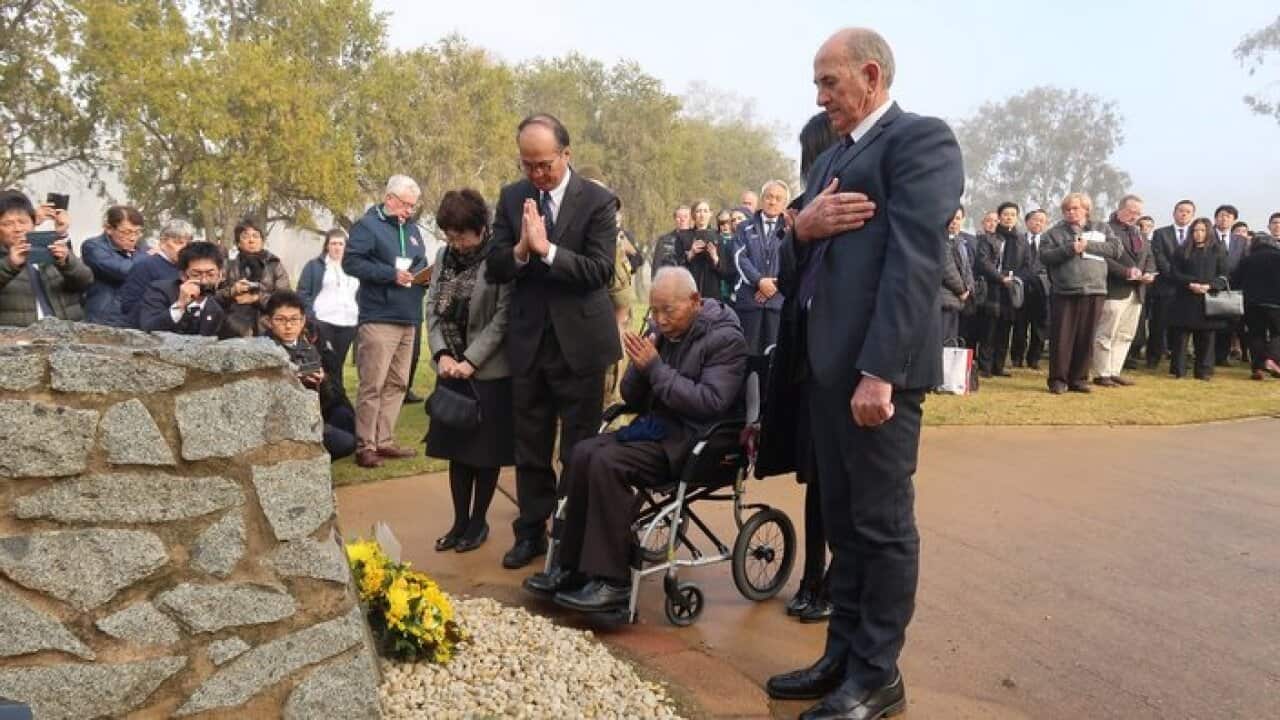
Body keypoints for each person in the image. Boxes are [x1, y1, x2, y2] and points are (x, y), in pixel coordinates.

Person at [764, 28, 963, 720]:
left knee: (881, 526)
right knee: (843, 523)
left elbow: (915, 265)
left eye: (830, 84)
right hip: (824, 372)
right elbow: (789, 272)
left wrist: (879, 371)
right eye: (818, 85)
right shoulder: (828, 162)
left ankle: (877, 674)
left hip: (876, 378)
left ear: (871, 76)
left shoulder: (920, 142)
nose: (821, 99)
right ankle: (841, 656)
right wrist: (802, 229)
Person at [523, 267, 748, 611]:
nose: (658, 319)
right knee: (582, 452)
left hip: (693, 441)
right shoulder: (663, 331)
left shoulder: (725, 339)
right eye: (653, 311)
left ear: (695, 302)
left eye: (667, 311)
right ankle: (572, 568)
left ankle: (613, 582)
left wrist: (656, 368)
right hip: (657, 428)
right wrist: (639, 367)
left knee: (606, 462)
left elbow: (710, 403)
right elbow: (631, 395)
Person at [484, 114, 621, 570]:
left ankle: (570, 535)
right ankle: (531, 532)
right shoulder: (512, 198)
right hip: (529, 341)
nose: (537, 174)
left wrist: (549, 251)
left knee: (578, 447)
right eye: (528, 165)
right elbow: (495, 267)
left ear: (566, 154)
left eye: (544, 164)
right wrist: (522, 251)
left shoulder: (598, 201)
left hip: (580, 343)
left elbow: (600, 271)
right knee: (531, 444)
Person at [777, 109, 843, 625]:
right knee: (817, 481)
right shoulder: (801, 210)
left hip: (844, 364)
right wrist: (799, 234)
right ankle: (811, 577)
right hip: (806, 363)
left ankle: (838, 580)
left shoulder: (857, 206)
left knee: (844, 483)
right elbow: (787, 276)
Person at [422, 189, 514, 554]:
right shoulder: (444, 256)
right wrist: (442, 354)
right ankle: (459, 522)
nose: (455, 242)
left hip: (488, 372)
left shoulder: (499, 259)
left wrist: (471, 360)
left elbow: (503, 316)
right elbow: (432, 306)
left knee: (484, 454)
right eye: (449, 234)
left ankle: (479, 523)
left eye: (461, 234)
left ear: (480, 228)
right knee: (457, 452)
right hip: (450, 369)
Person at [343, 174, 430, 469]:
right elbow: (351, 262)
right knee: (373, 384)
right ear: (389, 198)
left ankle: (385, 440)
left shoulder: (414, 229)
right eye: (405, 204)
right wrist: (390, 274)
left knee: (398, 383)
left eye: (412, 206)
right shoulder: (368, 226)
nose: (408, 210)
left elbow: (419, 260)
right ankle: (365, 445)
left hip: (409, 315)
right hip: (379, 315)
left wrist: (423, 276)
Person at [1038, 192, 1121, 394]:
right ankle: (1058, 380)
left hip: (1095, 290)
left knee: (1086, 337)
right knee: (1062, 338)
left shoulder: (1102, 228)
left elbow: (1116, 250)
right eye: (1067, 209)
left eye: (1075, 208)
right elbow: (1045, 256)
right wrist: (1070, 249)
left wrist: (1088, 245)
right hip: (1066, 291)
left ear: (1086, 209)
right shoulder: (1053, 233)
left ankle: (1079, 379)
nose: (1071, 212)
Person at [263, 291, 357, 460]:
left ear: (303, 320)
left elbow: (327, 398)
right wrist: (295, 380)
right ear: (269, 322)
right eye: (281, 320)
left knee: (345, 417)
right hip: (281, 420)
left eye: (294, 319)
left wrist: (323, 381)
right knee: (345, 443)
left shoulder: (308, 345)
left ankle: (314, 458)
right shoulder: (263, 350)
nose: (288, 326)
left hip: (313, 411)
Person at [0, 189, 92, 326]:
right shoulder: (6, 260)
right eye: (7, 224)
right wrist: (10, 264)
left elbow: (85, 281)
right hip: (17, 341)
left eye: (23, 222)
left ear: (33, 223)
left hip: (64, 336)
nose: (17, 228)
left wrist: (66, 262)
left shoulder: (49, 248)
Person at [1092, 195, 1155, 387]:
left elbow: (1149, 256)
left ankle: (1114, 371)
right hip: (1115, 289)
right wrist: (1126, 272)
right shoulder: (1105, 229)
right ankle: (1101, 373)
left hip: (1137, 292)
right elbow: (1102, 256)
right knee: (1106, 333)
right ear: (1120, 209)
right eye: (1131, 211)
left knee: (1126, 334)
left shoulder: (1139, 232)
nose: (1135, 216)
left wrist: (1150, 272)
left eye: (1138, 213)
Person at [297, 228, 360, 395]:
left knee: (338, 362)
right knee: (328, 362)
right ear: (327, 246)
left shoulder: (354, 268)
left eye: (341, 244)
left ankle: (335, 395)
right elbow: (302, 293)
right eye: (333, 243)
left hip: (349, 323)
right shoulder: (314, 266)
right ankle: (332, 395)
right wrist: (312, 317)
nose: (337, 247)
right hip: (324, 323)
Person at [732, 181, 791, 354]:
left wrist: (775, 285)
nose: (773, 202)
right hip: (750, 303)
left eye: (778, 198)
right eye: (769, 197)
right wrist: (759, 281)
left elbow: (795, 261)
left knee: (775, 359)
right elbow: (739, 258)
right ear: (762, 199)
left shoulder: (791, 229)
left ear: (784, 204)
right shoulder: (744, 227)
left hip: (778, 304)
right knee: (746, 357)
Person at [1168, 217, 1229, 380]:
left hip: (1208, 299)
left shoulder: (1218, 250)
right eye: (1195, 230)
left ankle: (1204, 371)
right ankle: (1179, 370)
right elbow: (1174, 273)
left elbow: (1224, 275)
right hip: (1185, 298)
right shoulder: (1182, 250)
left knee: (1207, 337)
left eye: (1202, 230)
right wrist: (1190, 283)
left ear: (1208, 232)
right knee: (1181, 337)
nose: (1198, 234)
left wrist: (1210, 286)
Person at [975, 201, 1030, 377]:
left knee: (1005, 330)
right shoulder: (989, 238)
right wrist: (1000, 278)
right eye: (1005, 214)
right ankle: (985, 367)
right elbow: (983, 262)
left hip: (1012, 289)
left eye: (1012, 215)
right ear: (999, 217)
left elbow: (1028, 264)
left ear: (1017, 218)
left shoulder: (1022, 239)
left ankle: (999, 366)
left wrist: (1016, 279)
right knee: (989, 329)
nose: (1009, 218)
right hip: (993, 287)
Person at [136, 242, 230, 336]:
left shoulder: (216, 310)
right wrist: (180, 305)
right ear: (183, 275)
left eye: (210, 274)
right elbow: (147, 329)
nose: (204, 281)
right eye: (196, 274)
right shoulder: (159, 291)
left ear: (220, 275)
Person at [216, 218, 290, 336]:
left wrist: (257, 298)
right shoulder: (228, 265)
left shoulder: (274, 265)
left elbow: (285, 300)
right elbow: (215, 296)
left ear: (262, 241)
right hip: (234, 326)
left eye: (256, 236)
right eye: (245, 237)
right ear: (238, 243)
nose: (251, 240)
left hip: (267, 327)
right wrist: (232, 291)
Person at [118, 219, 195, 328]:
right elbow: (129, 306)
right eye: (178, 242)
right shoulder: (145, 266)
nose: (185, 248)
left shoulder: (190, 268)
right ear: (163, 243)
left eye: (188, 243)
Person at [81, 205, 148, 326]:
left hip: (136, 318)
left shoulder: (143, 248)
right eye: (126, 232)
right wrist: (148, 258)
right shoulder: (93, 246)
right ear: (109, 228)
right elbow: (124, 271)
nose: (133, 238)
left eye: (137, 232)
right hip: (104, 318)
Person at [1149, 200, 1196, 369]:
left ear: (1192, 215)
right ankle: (1153, 357)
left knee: (1183, 326)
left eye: (1188, 212)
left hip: (1187, 289)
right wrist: (1178, 277)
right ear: (1174, 213)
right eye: (1181, 210)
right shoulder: (1161, 233)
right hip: (1166, 286)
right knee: (1159, 324)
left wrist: (1188, 280)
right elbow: (1159, 257)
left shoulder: (1196, 234)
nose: (1184, 214)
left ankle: (1180, 359)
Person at [1232, 230, 1280, 380]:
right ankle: (1272, 359)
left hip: (1251, 303)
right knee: (1277, 333)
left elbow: (1235, 281)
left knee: (1255, 334)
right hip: (1276, 302)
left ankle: (1257, 368)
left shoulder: (1247, 260)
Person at [1011, 209, 1050, 369]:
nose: (1038, 223)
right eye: (1035, 220)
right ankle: (1017, 357)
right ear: (1027, 222)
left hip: (1042, 290)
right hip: (1022, 288)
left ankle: (1034, 358)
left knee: (1039, 326)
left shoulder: (1048, 242)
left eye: (1042, 221)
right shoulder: (1018, 240)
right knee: (1020, 325)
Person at [668, 199, 728, 301]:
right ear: (693, 215)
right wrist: (690, 254)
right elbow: (676, 268)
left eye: (705, 211)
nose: (702, 214)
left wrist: (715, 257)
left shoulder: (718, 237)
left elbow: (725, 272)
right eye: (698, 211)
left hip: (712, 293)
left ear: (710, 214)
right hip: (689, 291)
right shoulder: (683, 237)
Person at [940, 207, 975, 343]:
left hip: (958, 300)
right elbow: (947, 269)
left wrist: (969, 288)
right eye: (951, 218)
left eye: (958, 218)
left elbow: (967, 268)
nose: (954, 222)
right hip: (943, 298)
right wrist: (961, 289)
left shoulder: (961, 241)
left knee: (951, 341)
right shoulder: (940, 240)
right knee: (941, 341)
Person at [651, 206, 690, 276]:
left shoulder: (696, 239)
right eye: (679, 217)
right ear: (675, 219)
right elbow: (656, 265)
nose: (682, 219)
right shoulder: (664, 240)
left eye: (685, 216)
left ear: (691, 218)